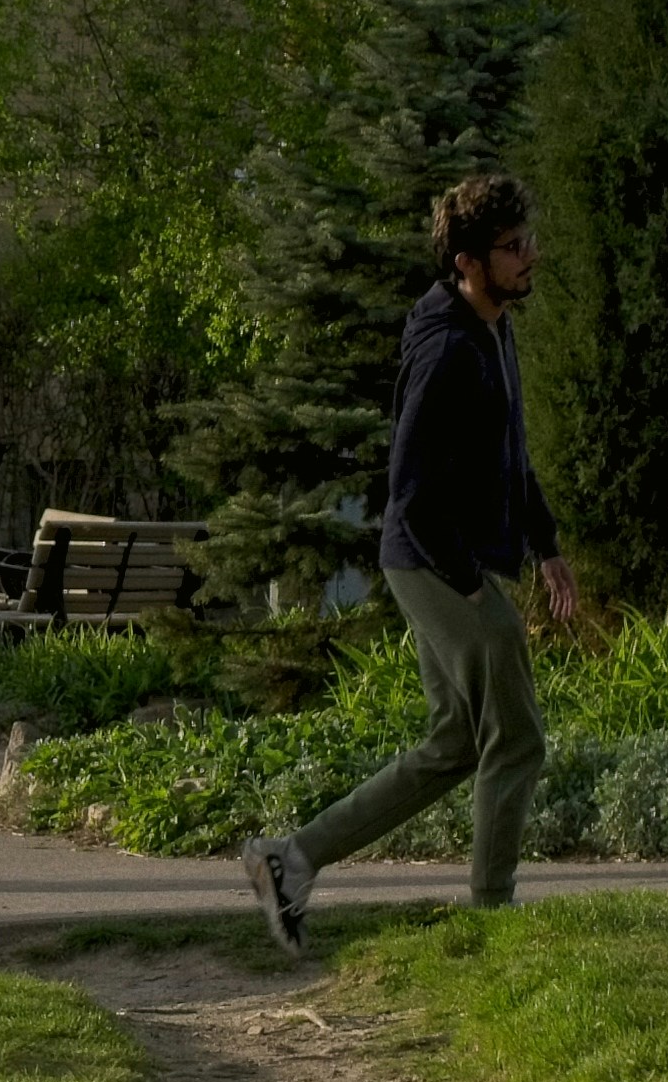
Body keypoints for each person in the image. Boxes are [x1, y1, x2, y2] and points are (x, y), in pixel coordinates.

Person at [242, 169, 580, 951]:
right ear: (466, 260)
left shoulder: (495, 329)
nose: (530, 256)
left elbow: (513, 454)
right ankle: (493, 912)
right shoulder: (445, 352)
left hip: (449, 559)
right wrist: (469, 586)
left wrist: (547, 544)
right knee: (519, 733)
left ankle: (289, 860)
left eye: (530, 240)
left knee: (455, 745)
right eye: (512, 247)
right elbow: (411, 489)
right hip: (431, 560)